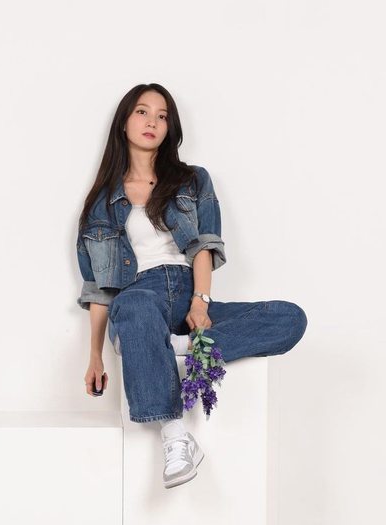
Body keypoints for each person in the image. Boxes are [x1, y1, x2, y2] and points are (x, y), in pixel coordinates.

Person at [76, 83, 307, 489]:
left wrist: (200, 302)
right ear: (124, 122)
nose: (152, 121)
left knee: (290, 318)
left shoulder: (193, 180)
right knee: (135, 305)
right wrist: (95, 355)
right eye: (142, 112)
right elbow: (99, 288)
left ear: (170, 127)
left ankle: (177, 346)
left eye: (162, 115)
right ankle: (175, 437)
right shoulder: (101, 202)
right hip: (139, 298)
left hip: (189, 294)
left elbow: (203, 246)